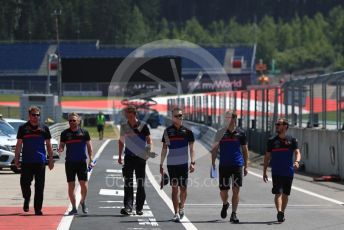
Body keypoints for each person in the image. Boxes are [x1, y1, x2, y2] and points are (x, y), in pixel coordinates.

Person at [14, 106, 54, 215]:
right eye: (33, 114)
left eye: (37, 115)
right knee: (24, 183)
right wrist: (16, 159)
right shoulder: (23, 128)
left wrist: (51, 160)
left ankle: (37, 209)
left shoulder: (44, 128)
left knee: (39, 186)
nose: (35, 117)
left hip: (40, 161)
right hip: (27, 161)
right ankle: (27, 198)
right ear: (29, 115)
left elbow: (49, 145)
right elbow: (18, 145)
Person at [210, 110, 248, 223]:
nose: (227, 119)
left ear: (235, 118)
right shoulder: (220, 132)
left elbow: (245, 150)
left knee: (236, 190)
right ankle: (225, 204)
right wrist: (212, 164)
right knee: (223, 191)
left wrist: (246, 166)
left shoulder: (241, 133)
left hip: (237, 165)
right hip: (224, 165)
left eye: (229, 117)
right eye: (225, 117)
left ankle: (234, 214)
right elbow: (215, 149)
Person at [160, 107, 195, 222]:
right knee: (174, 189)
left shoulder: (188, 132)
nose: (180, 118)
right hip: (172, 164)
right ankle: (175, 213)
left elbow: (192, 149)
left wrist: (193, 162)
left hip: (184, 164)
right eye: (177, 116)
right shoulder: (167, 132)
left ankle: (182, 206)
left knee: (183, 189)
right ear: (172, 118)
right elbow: (164, 149)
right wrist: (161, 164)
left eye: (181, 115)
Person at [263, 118, 301, 223]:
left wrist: (297, 161)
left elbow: (297, 152)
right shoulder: (271, 141)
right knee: (278, 193)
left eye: (278, 124)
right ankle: (279, 211)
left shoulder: (292, 140)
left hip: (288, 171)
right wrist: (264, 171)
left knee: (285, 194)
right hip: (276, 172)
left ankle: (282, 212)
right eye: (276, 124)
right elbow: (267, 157)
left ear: (285, 126)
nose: (276, 126)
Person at [118, 105, 152, 216]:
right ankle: (128, 208)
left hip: (140, 157)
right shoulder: (124, 126)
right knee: (128, 183)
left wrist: (147, 152)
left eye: (130, 115)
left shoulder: (143, 125)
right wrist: (119, 156)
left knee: (140, 184)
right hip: (128, 157)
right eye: (126, 115)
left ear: (134, 114)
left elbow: (149, 140)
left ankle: (139, 208)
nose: (128, 117)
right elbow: (121, 141)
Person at [58, 112, 93, 215]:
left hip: (81, 162)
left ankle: (82, 201)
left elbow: (89, 147)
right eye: (70, 120)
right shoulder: (65, 133)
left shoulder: (84, 132)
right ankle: (74, 207)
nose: (72, 122)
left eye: (74, 120)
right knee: (71, 186)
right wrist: (60, 149)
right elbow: (62, 146)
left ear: (78, 121)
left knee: (84, 185)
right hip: (69, 163)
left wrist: (91, 159)